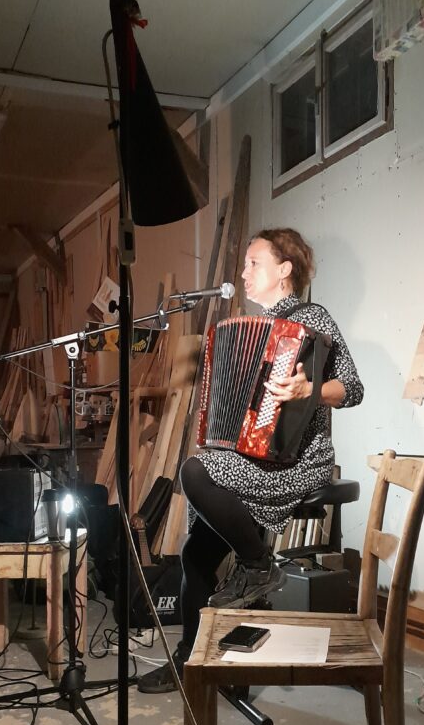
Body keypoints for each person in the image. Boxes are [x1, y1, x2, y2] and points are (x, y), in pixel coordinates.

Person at [137, 227, 363, 693]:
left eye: (254, 263)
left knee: (195, 470)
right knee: (195, 555)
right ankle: (192, 661)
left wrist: (309, 390)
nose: (243, 273)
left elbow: (353, 389)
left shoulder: (313, 318)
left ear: (284, 270)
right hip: (252, 458)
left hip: (297, 460)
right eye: (244, 264)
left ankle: (258, 565)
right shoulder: (251, 327)